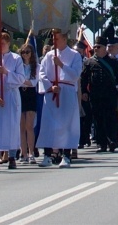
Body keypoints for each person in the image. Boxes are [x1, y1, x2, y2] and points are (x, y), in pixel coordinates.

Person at [37, 27, 82, 167]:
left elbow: (75, 74)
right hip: (52, 92)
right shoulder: (49, 56)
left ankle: (66, 155)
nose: (54, 41)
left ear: (64, 39)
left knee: (66, 124)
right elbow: (42, 74)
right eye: (53, 39)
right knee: (49, 124)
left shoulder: (74, 55)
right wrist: (50, 87)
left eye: (56, 38)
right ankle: (47, 155)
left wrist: (61, 65)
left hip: (67, 91)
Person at [0, 32, 26, 168]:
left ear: (8, 43)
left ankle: (12, 156)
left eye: (2, 43)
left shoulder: (16, 59)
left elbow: (21, 78)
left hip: (10, 94)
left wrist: (7, 73)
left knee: (12, 125)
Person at [83, 43, 118, 152]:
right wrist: (84, 91)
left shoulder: (113, 61)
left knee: (111, 118)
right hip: (96, 95)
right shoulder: (89, 62)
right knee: (98, 120)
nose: (95, 49)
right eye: (95, 47)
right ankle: (101, 143)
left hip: (110, 94)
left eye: (98, 47)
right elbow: (84, 78)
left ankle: (112, 140)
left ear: (105, 48)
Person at [17, 39, 39, 164]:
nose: (25, 54)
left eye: (28, 52)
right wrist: (23, 81)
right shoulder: (18, 66)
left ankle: (31, 153)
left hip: (30, 95)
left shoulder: (35, 67)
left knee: (29, 126)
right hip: (20, 94)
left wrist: (22, 81)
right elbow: (16, 79)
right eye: (23, 52)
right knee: (21, 126)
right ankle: (23, 153)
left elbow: (34, 82)